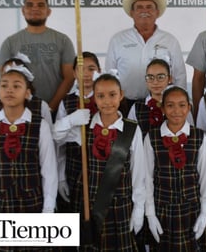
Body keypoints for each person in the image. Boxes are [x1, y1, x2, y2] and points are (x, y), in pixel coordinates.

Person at [54, 73, 146, 251]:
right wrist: (71, 120)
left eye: (112, 94)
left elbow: (138, 173)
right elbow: (55, 135)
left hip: (120, 204)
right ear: (94, 98)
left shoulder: (131, 129)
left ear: (121, 95)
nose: (107, 101)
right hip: (89, 202)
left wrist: (139, 208)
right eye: (100, 96)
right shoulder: (84, 127)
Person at [0, 62, 57, 214]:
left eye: (16, 86)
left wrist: (49, 206)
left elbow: (49, 169)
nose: (9, 90)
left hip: (33, 201)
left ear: (27, 93)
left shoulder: (40, 125)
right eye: (4, 86)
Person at [144, 86, 206, 251]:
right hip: (162, 209)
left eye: (182, 105)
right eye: (170, 105)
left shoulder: (198, 136)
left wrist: (205, 212)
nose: (176, 110)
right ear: (162, 108)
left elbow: (205, 177)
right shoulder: (152, 137)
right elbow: (147, 178)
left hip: (192, 209)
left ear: (189, 107)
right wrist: (150, 213)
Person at [106, 0, 187, 116]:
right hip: (125, 104)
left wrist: (179, 102)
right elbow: (110, 75)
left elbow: (180, 76)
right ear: (132, 12)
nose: (145, 11)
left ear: (157, 12)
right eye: (139, 7)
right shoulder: (118, 40)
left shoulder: (169, 40)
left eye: (149, 7)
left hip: (163, 104)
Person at [0, 0, 76, 114]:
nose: (35, 8)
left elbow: (69, 78)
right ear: (23, 10)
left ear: (48, 11)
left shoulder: (63, 40)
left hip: (56, 110)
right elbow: (5, 79)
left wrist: (50, 108)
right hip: (21, 112)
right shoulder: (9, 43)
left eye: (40, 5)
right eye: (30, 5)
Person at [52, 51, 101, 212]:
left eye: (91, 68)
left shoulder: (106, 98)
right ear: (73, 73)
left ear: (99, 71)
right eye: (80, 69)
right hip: (74, 168)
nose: (86, 74)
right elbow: (58, 143)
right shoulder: (67, 102)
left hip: (102, 169)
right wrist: (60, 178)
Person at [128, 58, 193, 139]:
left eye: (161, 77)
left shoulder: (181, 104)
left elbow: (191, 132)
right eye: (150, 77)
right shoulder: (137, 107)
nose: (155, 82)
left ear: (169, 79)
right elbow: (131, 137)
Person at [0, 54, 53, 128]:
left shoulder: (41, 106)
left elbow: (49, 131)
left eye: (16, 86)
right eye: (5, 84)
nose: (9, 90)